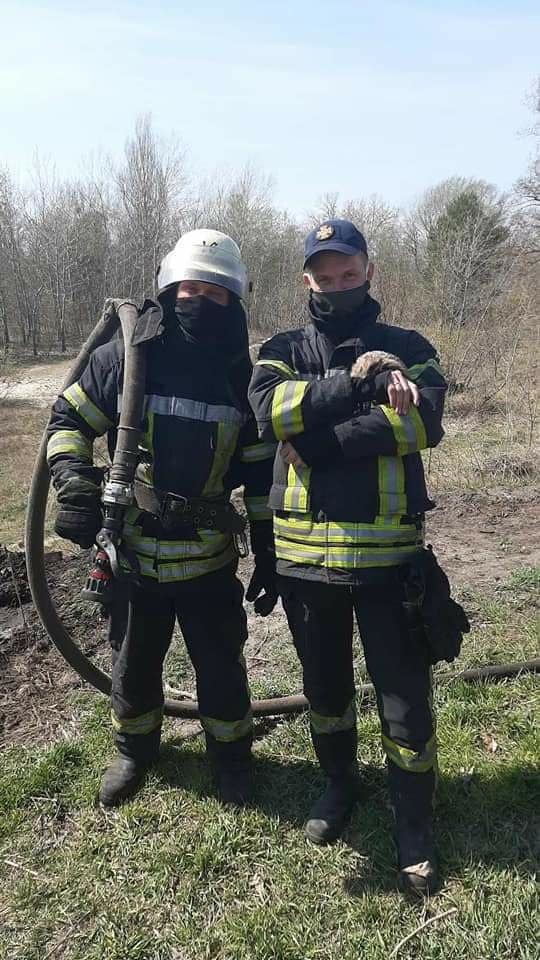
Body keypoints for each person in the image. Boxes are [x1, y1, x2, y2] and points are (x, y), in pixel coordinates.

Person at [248, 219, 447, 896]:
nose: (337, 287)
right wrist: (358, 390)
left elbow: (425, 420)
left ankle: (413, 825)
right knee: (326, 693)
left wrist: (328, 440)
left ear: (370, 271)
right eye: (323, 278)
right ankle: (339, 788)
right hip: (306, 565)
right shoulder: (280, 348)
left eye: (348, 274)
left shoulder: (409, 347)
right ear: (306, 280)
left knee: (404, 703)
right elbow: (270, 412)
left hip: (390, 561)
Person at [46, 230, 277, 808]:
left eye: (215, 292)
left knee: (221, 665)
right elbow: (68, 421)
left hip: (208, 563)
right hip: (133, 558)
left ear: (234, 302)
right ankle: (134, 750)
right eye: (189, 287)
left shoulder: (236, 376)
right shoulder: (128, 358)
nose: (200, 299)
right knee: (134, 664)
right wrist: (73, 482)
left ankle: (230, 755)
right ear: (169, 288)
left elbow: (254, 469)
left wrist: (268, 550)